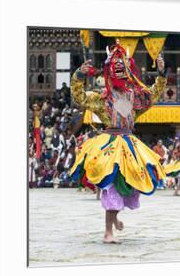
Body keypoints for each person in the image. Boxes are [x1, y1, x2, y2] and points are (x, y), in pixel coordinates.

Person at [69, 44, 167, 243]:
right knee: (111, 187)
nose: (120, 71)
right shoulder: (101, 97)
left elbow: (154, 94)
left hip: (129, 145)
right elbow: (78, 98)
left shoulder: (136, 97)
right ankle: (108, 232)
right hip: (110, 145)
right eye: (116, 67)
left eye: (123, 67)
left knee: (127, 186)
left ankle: (114, 221)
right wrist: (79, 75)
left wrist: (162, 73)